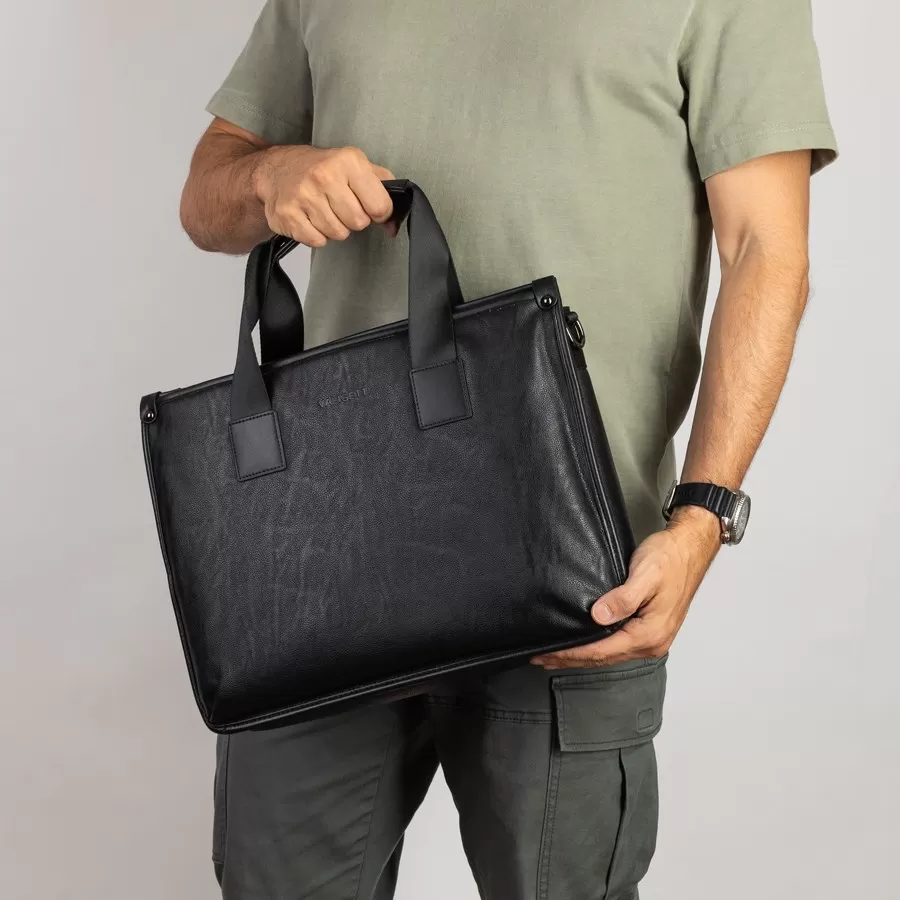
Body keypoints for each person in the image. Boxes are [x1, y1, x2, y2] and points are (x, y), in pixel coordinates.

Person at [179, 1, 837, 897]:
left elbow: (767, 252)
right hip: (326, 568)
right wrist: (270, 176)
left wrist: (702, 516)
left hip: (573, 570)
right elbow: (206, 198)